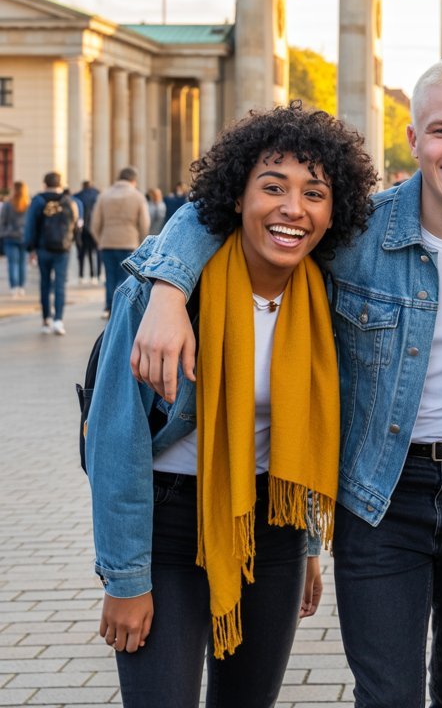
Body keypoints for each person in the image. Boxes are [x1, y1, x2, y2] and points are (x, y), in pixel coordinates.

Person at [128, 57, 442, 708]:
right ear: (414, 140)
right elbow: (226, 210)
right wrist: (166, 288)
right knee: (385, 695)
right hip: (381, 494)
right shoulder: (357, 228)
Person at [86, 103, 377, 708]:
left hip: (273, 524)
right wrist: (125, 580)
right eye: (272, 187)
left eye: (314, 193)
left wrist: (306, 550)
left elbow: (300, 435)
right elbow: (114, 441)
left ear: (333, 211)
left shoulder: (324, 294)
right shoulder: (161, 295)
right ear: (237, 197)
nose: (292, 209)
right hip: (165, 530)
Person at [23, 170, 79, 335]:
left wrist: (30, 248)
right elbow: (75, 224)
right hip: (63, 249)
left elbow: (30, 226)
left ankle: (46, 319)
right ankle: (58, 320)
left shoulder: (38, 201)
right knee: (60, 284)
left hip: (43, 248)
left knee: (45, 283)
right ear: (60, 184)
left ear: (44, 184)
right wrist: (71, 242)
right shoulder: (68, 201)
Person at [91, 167, 150, 318]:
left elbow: (95, 222)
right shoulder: (137, 196)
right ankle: (121, 308)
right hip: (129, 241)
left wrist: (100, 239)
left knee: (109, 276)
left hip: (108, 242)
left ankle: (108, 306)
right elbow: (144, 223)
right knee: (126, 278)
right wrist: (142, 241)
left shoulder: (104, 195)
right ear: (133, 181)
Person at [0, 180, 29, 296]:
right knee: (22, 263)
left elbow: (2, 222)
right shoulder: (28, 204)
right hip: (23, 236)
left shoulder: (8, 204)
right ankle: (21, 286)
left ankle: (14, 286)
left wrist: (4, 233)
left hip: (10, 237)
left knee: (12, 263)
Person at [74, 180, 101, 285]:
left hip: (83, 228)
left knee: (82, 253)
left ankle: (81, 275)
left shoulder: (78, 196)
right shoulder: (98, 195)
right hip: (95, 228)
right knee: (97, 254)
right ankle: (96, 275)